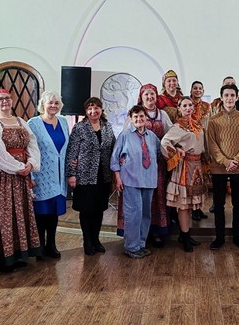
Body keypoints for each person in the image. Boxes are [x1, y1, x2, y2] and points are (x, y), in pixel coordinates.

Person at [0, 89, 42, 271]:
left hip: (22, 175)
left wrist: (31, 163)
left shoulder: (21, 122)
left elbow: (32, 144)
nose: (4, 102)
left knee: (20, 213)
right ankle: (3, 258)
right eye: (0, 99)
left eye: (7, 98)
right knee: (5, 214)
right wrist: (17, 168)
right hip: (3, 176)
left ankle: (18, 254)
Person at [117, 83, 172, 247]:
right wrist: (122, 160)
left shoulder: (162, 114)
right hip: (135, 168)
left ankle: (153, 232)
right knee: (135, 204)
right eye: (146, 94)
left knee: (154, 199)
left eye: (152, 94)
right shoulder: (134, 115)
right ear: (141, 97)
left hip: (156, 164)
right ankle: (133, 239)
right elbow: (125, 138)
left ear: (156, 96)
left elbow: (171, 135)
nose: (150, 97)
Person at [66, 97, 116, 256]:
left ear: (101, 109)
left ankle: (96, 239)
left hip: (103, 175)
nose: (93, 111)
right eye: (89, 108)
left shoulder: (107, 126)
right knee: (86, 210)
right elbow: (71, 152)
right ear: (86, 111)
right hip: (84, 175)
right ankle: (87, 241)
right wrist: (71, 174)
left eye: (96, 108)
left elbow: (114, 147)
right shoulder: (79, 128)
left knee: (99, 209)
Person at [111, 104, 161, 259]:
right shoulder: (125, 135)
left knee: (145, 213)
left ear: (146, 118)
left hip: (148, 179)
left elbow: (159, 153)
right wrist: (118, 178)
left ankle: (141, 244)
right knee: (134, 213)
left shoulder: (152, 137)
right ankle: (131, 246)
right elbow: (115, 158)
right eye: (136, 117)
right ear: (131, 119)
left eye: (141, 116)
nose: (139, 119)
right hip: (131, 180)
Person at [207, 84, 239, 250]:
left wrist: (236, 161)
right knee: (218, 204)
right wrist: (226, 162)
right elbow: (211, 144)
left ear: (237, 97)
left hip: (238, 168)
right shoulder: (213, 120)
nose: (229, 98)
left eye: (232, 95)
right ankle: (219, 237)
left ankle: (237, 236)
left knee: (238, 203)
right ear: (221, 97)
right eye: (226, 95)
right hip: (218, 167)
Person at [161, 96, 208, 252]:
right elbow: (165, 142)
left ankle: (184, 234)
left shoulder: (197, 125)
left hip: (196, 166)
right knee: (184, 205)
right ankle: (185, 237)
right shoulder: (178, 127)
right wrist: (176, 151)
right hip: (184, 167)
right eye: (185, 106)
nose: (188, 108)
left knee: (190, 205)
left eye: (190, 105)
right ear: (179, 109)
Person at [27, 91, 69, 259]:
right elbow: (28, 150)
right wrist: (31, 176)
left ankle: (51, 244)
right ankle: (39, 247)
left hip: (59, 176)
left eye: (56, 103)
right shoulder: (33, 123)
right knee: (41, 213)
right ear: (42, 104)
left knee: (53, 213)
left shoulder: (63, 122)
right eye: (50, 102)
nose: (53, 106)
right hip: (41, 175)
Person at [189, 80, 210, 221]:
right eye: (195, 88)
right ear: (191, 90)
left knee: (201, 180)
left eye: (200, 88)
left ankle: (199, 208)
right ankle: (192, 209)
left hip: (204, 141)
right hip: (192, 144)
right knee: (192, 180)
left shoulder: (207, 107)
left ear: (203, 91)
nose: (198, 90)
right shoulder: (187, 104)